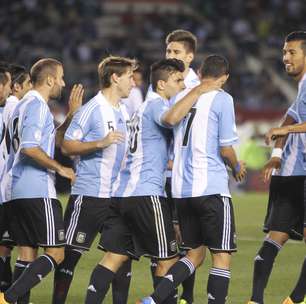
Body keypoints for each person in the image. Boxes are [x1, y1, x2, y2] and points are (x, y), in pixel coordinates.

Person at [84, 58, 220, 304]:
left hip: (122, 195)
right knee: (168, 261)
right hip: (146, 195)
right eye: (177, 81)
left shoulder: (139, 110)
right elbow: (170, 120)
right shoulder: (157, 105)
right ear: (161, 84)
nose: (181, 86)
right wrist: (198, 90)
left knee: (112, 259)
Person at [138, 55, 246, 304]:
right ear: (225, 77)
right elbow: (225, 149)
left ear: (199, 71)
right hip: (211, 188)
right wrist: (237, 166)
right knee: (221, 256)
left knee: (194, 255)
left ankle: (154, 299)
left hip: (181, 191)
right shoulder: (223, 99)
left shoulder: (180, 99)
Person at [52, 56, 136, 304]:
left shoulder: (123, 109)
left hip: (116, 197)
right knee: (69, 255)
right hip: (89, 195)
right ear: (115, 77)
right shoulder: (92, 109)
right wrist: (100, 142)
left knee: (121, 253)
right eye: (129, 76)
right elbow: (67, 146)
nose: (133, 81)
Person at [0, 58, 78, 304]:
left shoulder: (22, 105)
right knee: (56, 253)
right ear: (50, 79)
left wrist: (70, 117)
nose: (64, 84)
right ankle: (8, 298)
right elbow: (31, 148)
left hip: (14, 189)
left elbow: (47, 140)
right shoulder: (37, 105)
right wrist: (61, 169)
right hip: (35, 188)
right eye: (61, 77)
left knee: (26, 254)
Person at [247, 31, 306, 304]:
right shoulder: (303, 87)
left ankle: (259, 300)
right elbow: (290, 118)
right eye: (284, 52)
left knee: (275, 238)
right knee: (275, 238)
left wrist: (282, 140)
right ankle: (294, 299)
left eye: (292, 52)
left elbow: (289, 121)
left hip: (292, 174)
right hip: (296, 174)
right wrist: (276, 155)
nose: (285, 57)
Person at [146, 29, 200, 304]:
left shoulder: (195, 87)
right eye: (168, 51)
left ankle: (184, 298)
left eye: (176, 52)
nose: (171, 56)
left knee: (184, 240)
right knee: (161, 243)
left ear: (190, 56)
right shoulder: (161, 84)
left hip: (183, 175)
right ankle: (168, 297)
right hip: (160, 174)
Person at [0, 64, 32, 295]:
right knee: (19, 247)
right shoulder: (16, 105)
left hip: (6, 186)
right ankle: (9, 295)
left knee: (4, 247)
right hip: (11, 186)